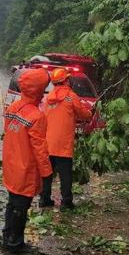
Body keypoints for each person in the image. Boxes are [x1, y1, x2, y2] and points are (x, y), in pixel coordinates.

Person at [1, 68, 52, 254]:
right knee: (21, 207)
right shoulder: (36, 116)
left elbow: (8, 131)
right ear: (39, 91)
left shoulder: (13, 108)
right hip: (25, 169)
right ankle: (15, 243)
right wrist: (47, 173)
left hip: (11, 165)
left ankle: (7, 237)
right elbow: (40, 150)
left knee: (12, 203)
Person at [40, 68, 93, 211]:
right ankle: (66, 201)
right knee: (65, 175)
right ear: (66, 81)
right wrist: (90, 114)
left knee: (47, 173)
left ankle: (44, 199)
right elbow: (83, 114)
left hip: (48, 143)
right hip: (63, 144)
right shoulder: (71, 96)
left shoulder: (48, 97)